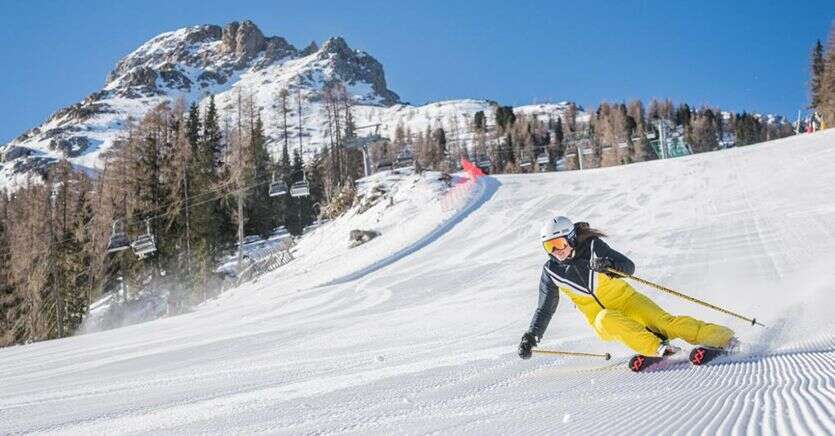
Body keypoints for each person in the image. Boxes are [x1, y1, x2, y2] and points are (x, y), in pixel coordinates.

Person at [518, 215, 736, 360]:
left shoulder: (594, 247)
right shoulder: (551, 272)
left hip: (628, 301)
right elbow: (545, 309)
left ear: (572, 238)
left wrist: (609, 266)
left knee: (665, 323)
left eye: (559, 244)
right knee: (605, 318)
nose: (557, 251)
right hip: (602, 319)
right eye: (549, 246)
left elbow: (628, 267)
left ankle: (723, 337)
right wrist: (531, 336)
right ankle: (657, 348)